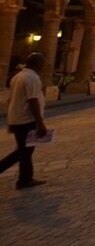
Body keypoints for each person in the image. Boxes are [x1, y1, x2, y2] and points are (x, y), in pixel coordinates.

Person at [0, 53, 48, 189]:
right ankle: (24, 178)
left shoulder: (18, 76)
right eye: (43, 63)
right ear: (37, 64)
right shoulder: (32, 78)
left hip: (17, 119)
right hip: (27, 120)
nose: (44, 66)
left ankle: (25, 179)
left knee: (25, 151)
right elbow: (32, 101)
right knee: (23, 151)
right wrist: (40, 123)